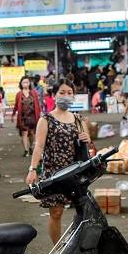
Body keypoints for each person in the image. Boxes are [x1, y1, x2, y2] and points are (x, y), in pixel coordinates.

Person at [26, 80, 92, 244]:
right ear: (54, 95)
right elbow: (39, 146)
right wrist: (33, 169)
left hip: (75, 173)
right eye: (62, 92)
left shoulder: (78, 119)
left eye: (70, 93)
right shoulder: (46, 119)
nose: (66, 96)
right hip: (54, 174)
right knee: (56, 212)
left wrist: (86, 138)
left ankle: (78, 246)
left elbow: (87, 143)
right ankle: (58, 248)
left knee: (82, 211)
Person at [14, 76, 42, 158]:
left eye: (27, 82)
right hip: (23, 117)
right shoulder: (19, 94)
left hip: (33, 116)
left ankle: (30, 147)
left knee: (32, 134)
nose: (25, 84)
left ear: (29, 83)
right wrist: (13, 115)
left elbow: (38, 104)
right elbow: (16, 105)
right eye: (23, 82)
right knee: (24, 133)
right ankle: (26, 150)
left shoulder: (34, 93)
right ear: (21, 84)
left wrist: (40, 114)